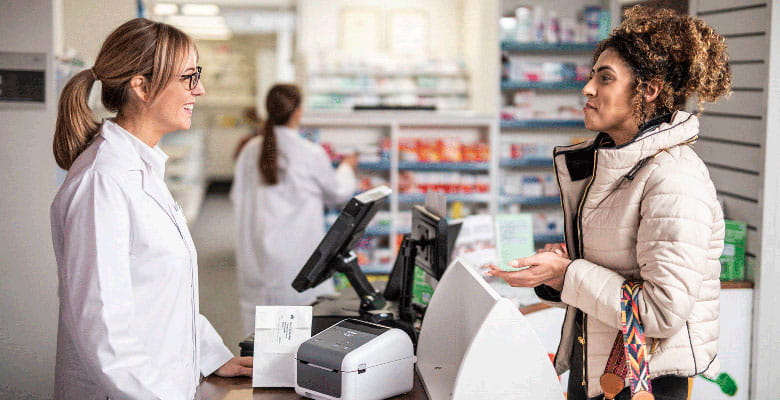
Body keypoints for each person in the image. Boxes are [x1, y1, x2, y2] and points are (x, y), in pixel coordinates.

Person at [486, 6, 730, 400]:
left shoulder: (673, 178)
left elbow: (661, 311)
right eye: (590, 76)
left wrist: (569, 273)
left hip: (643, 381)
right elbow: (615, 268)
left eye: (605, 79)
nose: (587, 89)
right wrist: (557, 273)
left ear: (648, 90)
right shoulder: (617, 162)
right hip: (600, 364)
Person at [51, 18, 251, 399]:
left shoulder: (140, 168)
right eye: (189, 77)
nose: (201, 90)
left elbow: (163, 297)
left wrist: (210, 356)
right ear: (141, 86)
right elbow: (103, 331)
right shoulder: (103, 182)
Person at [231, 84, 357, 335]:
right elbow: (339, 192)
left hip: (257, 258)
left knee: (262, 340)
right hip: (296, 260)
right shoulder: (309, 152)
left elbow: (237, 197)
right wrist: (347, 167)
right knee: (299, 335)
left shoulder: (250, 150)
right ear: (298, 112)